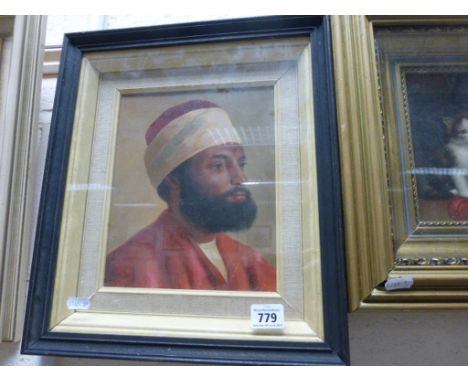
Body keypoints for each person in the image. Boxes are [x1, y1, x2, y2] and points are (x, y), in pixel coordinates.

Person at [104, 100, 276, 291]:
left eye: (241, 164)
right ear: (174, 181)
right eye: (218, 166)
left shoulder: (248, 258)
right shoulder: (130, 264)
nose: (240, 178)